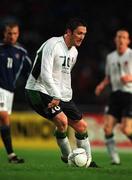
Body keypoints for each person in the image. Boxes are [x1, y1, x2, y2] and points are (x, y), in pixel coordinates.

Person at [25, 17, 98, 168]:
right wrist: (56, 95)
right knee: (62, 121)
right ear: (69, 32)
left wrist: (65, 97)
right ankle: (68, 156)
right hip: (38, 89)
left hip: (58, 93)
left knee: (82, 127)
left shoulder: (74, 52)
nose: (82, 37)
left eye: (84, 34)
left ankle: (88, 162)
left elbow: (64, 76)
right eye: (79, 33)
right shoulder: (53, 44)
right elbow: (45, 75)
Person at [95, 29, 132, 165]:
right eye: (119, 37)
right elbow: (108, 77)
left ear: (128, 41)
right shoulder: (110, 57)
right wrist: (101, 85)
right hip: (115, 95)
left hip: (129, 95)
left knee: (126, 129)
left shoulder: (131, 55)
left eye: (124, 37)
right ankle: (115, 159)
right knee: (107, 128)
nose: (121, 39)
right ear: (115, 40)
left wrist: (130, 78)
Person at [0, 21, 32, 163]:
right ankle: (11, 155)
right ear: (4, 33)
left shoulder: (22, 53)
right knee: (4, 117)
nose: (12, 36)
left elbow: (30, 72)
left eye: (14, 33)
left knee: (4, 121)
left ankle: (11, 156)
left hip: (9, 92)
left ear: (18, 34)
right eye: (9, 33)